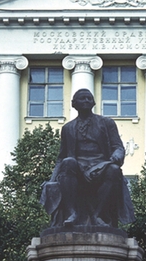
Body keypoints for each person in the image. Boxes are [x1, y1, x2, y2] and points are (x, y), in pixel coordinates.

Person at [40, 88, 135, 228]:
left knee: (114, 170)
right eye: (82, 98)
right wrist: (52, 180)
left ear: (93, 103)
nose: (86, 101)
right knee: (68, 162)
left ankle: (99, 216)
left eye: (89, 98)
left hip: (101, 165)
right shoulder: (68, 128)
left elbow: (118, 147)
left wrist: (116, 156)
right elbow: (62, 157)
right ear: (74, 104)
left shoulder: (106, 123)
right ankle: (71, 213)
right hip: (78, 167)